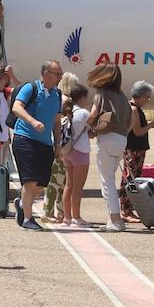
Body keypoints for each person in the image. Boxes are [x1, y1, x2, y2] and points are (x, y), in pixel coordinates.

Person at [10, 61, 64, 232]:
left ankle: (21, 203)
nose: (60, 77)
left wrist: (57, 143)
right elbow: (16, 108)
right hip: (24, 138)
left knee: (42, 182)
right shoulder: (31, 88)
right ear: (46, 73)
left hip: (45, 143)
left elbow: (57, 121)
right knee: (30, 180)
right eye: (57, 74)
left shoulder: (57, 94)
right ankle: (27, 219)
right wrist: (32, 121)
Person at [86, 64, 132, 232]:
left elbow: (92, 115)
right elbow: (130, 119)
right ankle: (112, 218)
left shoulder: (102, 94)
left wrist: (84, 129)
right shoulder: (122, 96)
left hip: (108, 138)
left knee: (107, 182)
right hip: (121, 139)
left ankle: (115, 220)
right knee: (111, 178)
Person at [119, 80, 154, 220]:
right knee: (130, 179)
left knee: (131, 178)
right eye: (147, 97)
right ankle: (126, 210)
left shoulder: (130, 107)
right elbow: (138, 132)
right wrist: (150, 126)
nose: (147, 100)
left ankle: (128, 208)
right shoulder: (134, 109)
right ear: (141, 95)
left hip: (135, 149)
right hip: (134, 149)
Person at [44, 71, 79, 223]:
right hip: (62, 144)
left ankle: (57, 212)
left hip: (52, 141)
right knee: (58, 180)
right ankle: (51, 212)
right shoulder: (66, 101)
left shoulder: (55, 98)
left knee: (58, 179)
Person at [62, 84, 92, 227]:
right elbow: (95, 129)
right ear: (81, 97)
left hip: (67, 151)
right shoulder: (84, 113)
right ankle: (77, 217)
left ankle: (66, 217)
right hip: (80, 151)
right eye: (86, 97)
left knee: (69, 185)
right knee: (78, 187)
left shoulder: (68, 111)